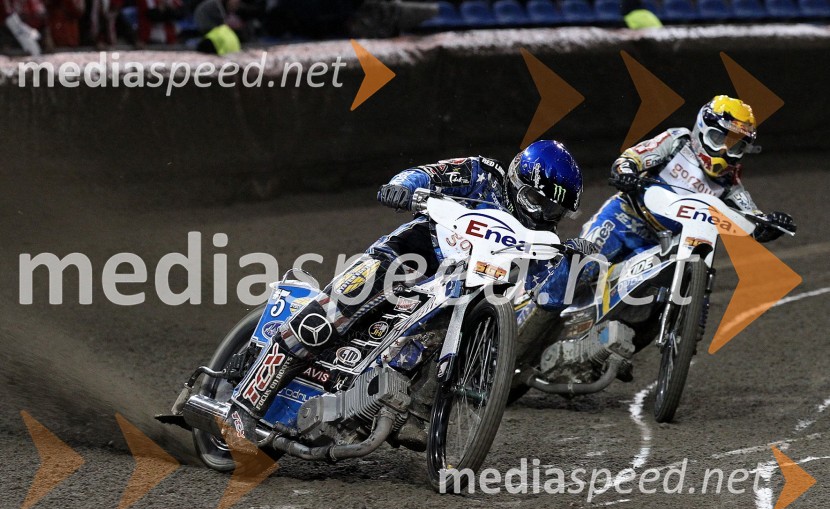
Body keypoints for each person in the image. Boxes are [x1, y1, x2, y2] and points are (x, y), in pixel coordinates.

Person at [223, 140, 597, 448]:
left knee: (464, 335)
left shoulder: (538, 241)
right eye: (540, 202)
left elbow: (549, 293)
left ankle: (410, 411)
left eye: (556, 211)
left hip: (456, 291)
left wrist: (577, 264)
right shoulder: (482, 174)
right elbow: (427, 173)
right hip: (413, 254)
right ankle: (245, 402)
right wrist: (403, 186)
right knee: (336, 311)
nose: (545, 215)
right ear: (519, 180)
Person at [581, 95, 796, 272]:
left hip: (662, 247)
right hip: (623, 219)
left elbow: (752, 219)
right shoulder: (677, 141)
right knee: (581, 268)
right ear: (701, 130)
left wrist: (771, 225)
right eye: (719, 139)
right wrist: (625, 172)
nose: (723, 151)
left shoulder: (729, 184)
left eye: (734, 146)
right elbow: (632, 158)